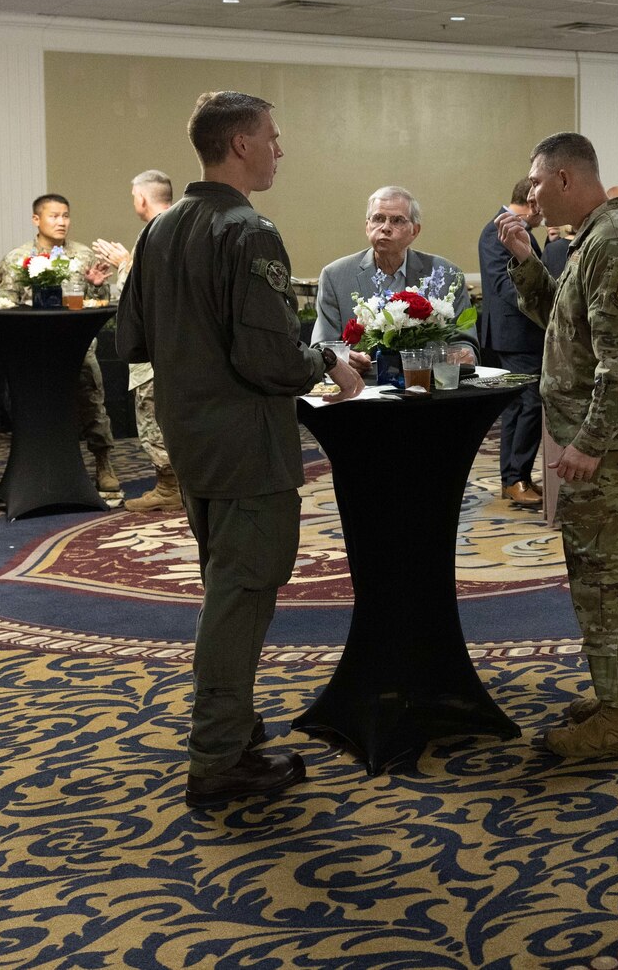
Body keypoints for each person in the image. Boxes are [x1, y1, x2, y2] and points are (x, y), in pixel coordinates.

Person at [116, 91, 362, 806]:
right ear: (240, 146)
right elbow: (268, 358)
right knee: (242, 594)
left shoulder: (159, 230)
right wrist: (326, 364)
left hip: (190, 439)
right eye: (272, 138)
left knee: (226, 579)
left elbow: (129, 336)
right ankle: (218, 758)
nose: (280, 149)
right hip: (245, 443)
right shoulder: (248, 230)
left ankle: (236, 723)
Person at [495, 132, 618, 759]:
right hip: (615, 441)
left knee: (605, 577)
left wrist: (589, 442)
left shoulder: (615, 243)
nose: (532, 197)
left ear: (566, 178)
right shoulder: (593, 240)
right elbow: (566, 327)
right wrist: (523, 258)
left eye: (537, 184)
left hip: (609, 445)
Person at [0, 193, 122, 492]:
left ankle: (103, 462)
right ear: (36, 220)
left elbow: (98, 306)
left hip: (77, 348)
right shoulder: (17, 259)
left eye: (65, 216)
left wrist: (98, 287)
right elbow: (5, 304)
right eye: (54, 216)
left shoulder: (83, 256)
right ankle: (37, 470)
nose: (61, 222)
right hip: (35, 349)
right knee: (37, 409)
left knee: (92, 402)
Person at [98, 170, 181, 512]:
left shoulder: (153, 233)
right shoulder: (181, 225)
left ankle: (169, 486)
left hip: (154, 349)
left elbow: (142, 294)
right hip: (179, 347)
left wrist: (122, 265)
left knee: (153, 416)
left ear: (142, 198)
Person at [312, 186, 473, 354]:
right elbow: (321, 346)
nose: (386, 227)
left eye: (397, 220)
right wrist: (343, 358)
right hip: (361, 378)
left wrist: (463, 355)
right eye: (378, 218)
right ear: (367, 226)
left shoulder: (446, 275)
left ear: (415, 231)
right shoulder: (335, 276)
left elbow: (464, 342)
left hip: (426, 377)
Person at [478, 177, 546, 511]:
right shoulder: (497, 230)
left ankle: (516, 477)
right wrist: (543, 309)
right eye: (541, 207)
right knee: (528, 404)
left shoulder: (520, 230)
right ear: (532, 201)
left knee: (520, 407)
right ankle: (515, 478)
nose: (544, 215)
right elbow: (504, 284)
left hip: (524, 333)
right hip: (516, 334)